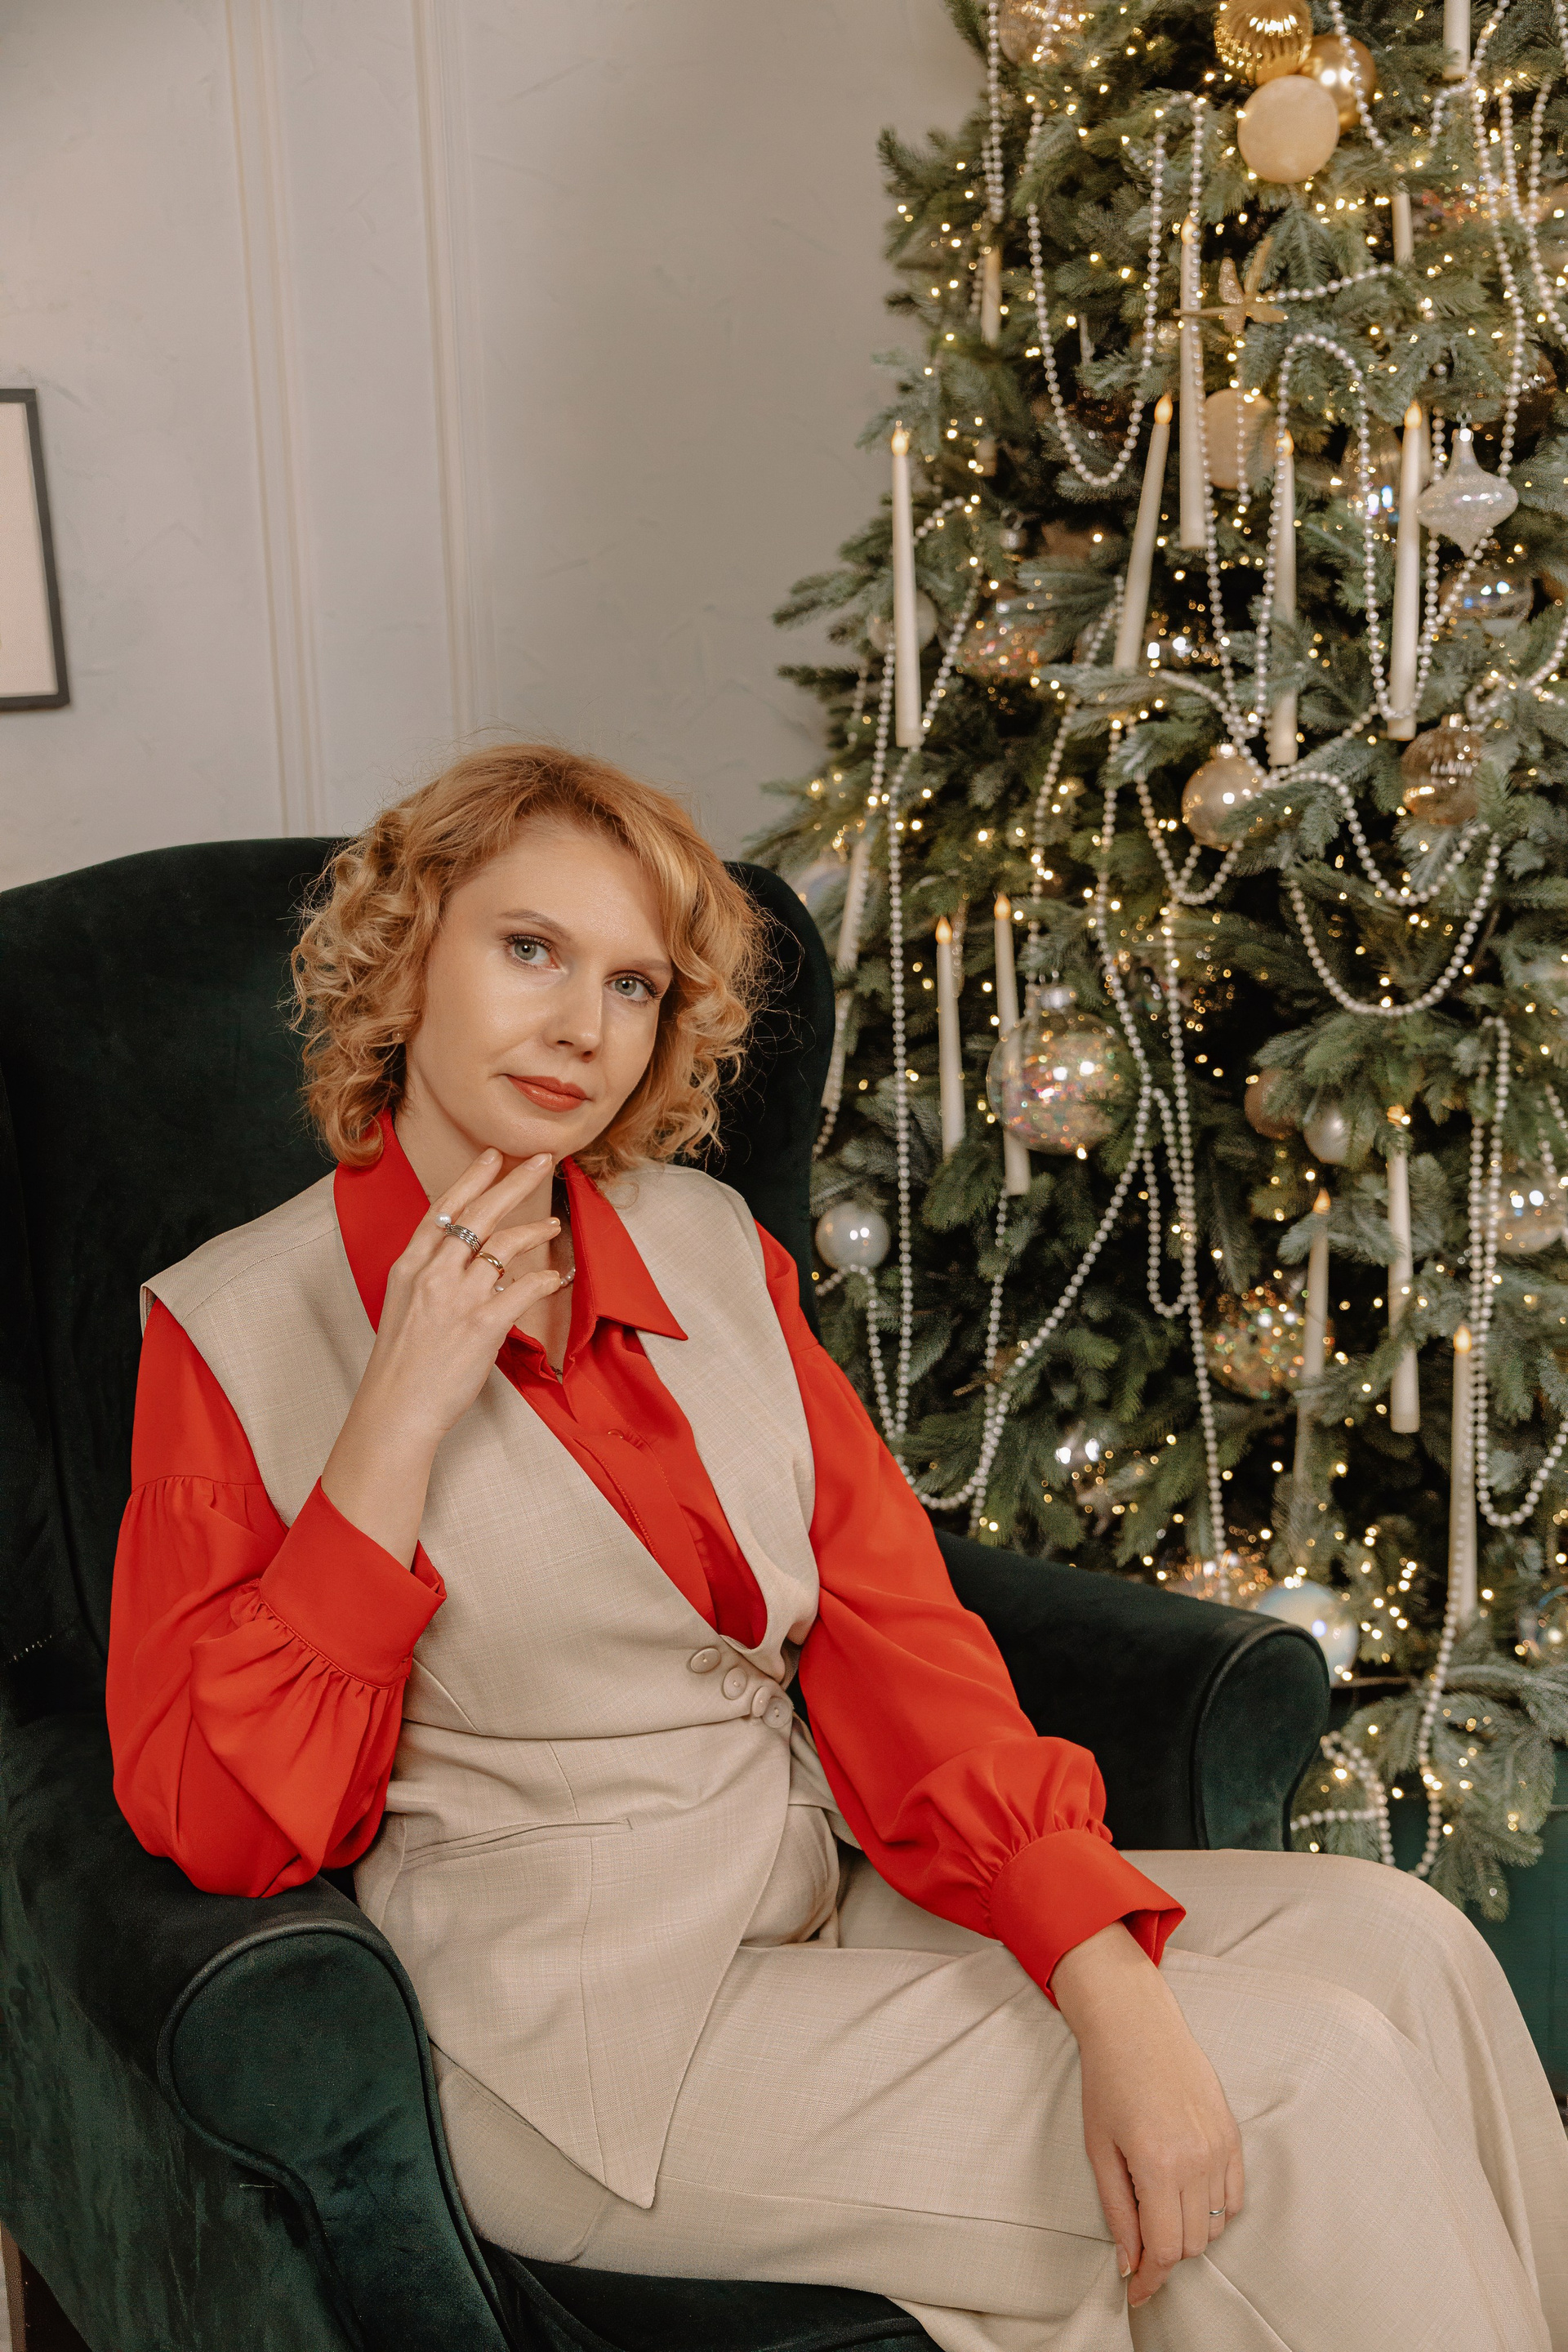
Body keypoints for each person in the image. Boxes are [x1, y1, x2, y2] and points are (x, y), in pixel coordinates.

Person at [107, 746, 1567, 2352]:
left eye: (633, 984)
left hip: (829, 1891)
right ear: (409, 957)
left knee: (1413, 1951)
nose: (583, 1025)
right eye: (530, 949)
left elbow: (895, 1638)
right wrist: (391, 1425)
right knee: (1309, 2087)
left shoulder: (706, 1244)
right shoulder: (236, 1325)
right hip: (578, 2041)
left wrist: (1100, 1973)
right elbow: (225, 1828)